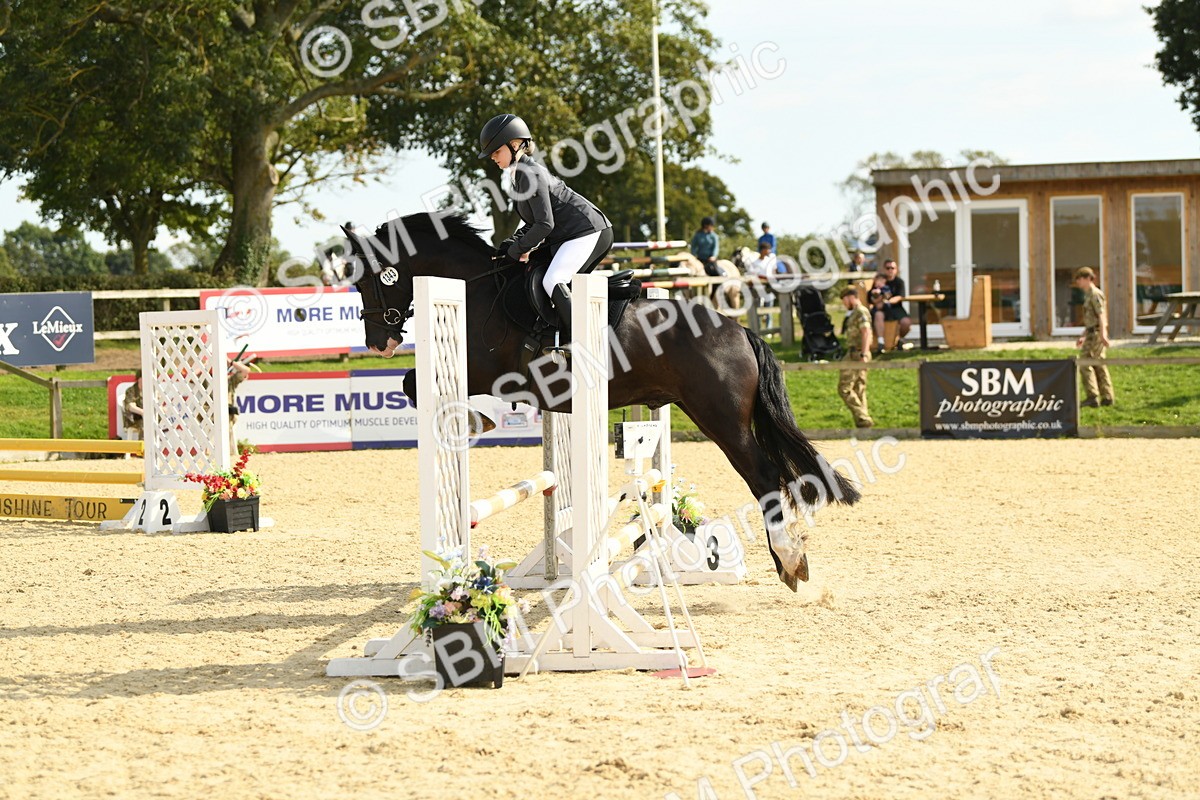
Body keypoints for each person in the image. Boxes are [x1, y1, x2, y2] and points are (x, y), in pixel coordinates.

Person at [479, 114, 613, 331]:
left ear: (515, 145)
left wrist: (515, 251)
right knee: (534, 271)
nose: (493, 157)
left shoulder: (531, 174)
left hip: (587, 232)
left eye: (496, 151)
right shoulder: (518, 176)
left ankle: (582, 339)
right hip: (569, 235)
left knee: (553, 280)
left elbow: (544, 224)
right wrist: (510, 244)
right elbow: (533, 223)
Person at [1074, 266, 1114, 407]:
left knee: (1086, 363)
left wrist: (1103, 334)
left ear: (1086, 278)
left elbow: (1101, 315)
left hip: (1096, 334)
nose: (1078, 282)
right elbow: (1090, 319)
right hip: (1091, 332)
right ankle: (1106, 396)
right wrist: (1083, 335)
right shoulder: (1088, 295)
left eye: (1079, 279)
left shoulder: (1095, 294)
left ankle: (1094, 396)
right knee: (1098, 364)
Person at [838, 287, 873, 428]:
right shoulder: (855, 313)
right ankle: (863, 422)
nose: (844, 304)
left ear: (851, 297)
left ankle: (863, 416)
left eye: (845, 301)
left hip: (858, 353)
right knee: (858, 388)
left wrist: (864, 354)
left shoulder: (860, 312)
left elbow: (866, 332)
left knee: (844, 388)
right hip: (854, 352)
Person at [874, 259, 912, 352]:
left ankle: (899, 340)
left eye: (893, 268)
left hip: (896, 307)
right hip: (882, 308)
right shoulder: (880, 280)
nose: (890, 270)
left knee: (906, 323)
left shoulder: (899, 282)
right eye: (888, 268)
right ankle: (881, 343)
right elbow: (872, 296)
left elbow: (900, 296)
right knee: (878, 315)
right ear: (884, 269)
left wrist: (889, 301)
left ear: (896, 269)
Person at [228, 358, 251, 455]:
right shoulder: (205, 379)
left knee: (228, 425)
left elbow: (246, 371)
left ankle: (230, 451)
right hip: (209, 412)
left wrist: (232, 363)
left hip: (227, 412)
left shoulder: (230, 380)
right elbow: (191, 376)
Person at [122, 370, 144, 441]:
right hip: (134, 418)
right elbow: (130, 406)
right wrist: (143, 412)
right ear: (139, 379)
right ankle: (143, 448)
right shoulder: (132, 391)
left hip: (150, 417)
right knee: (145, 425)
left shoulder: (151, 390)